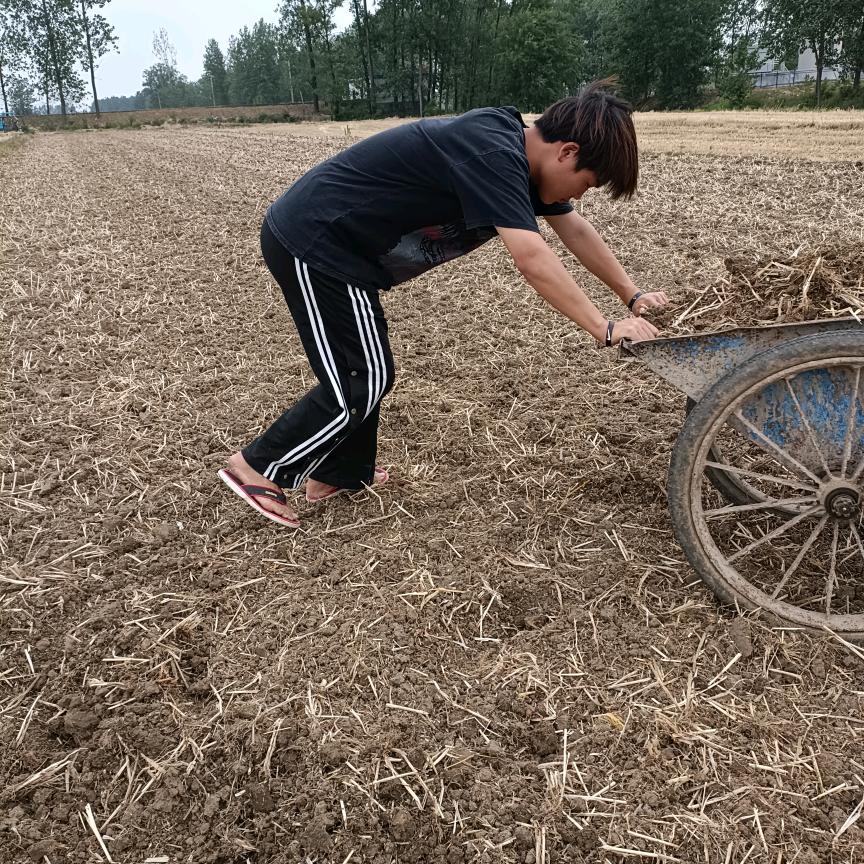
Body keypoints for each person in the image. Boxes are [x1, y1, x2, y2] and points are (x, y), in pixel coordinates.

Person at [218, 80, 668, 528]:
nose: (578, 196)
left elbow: (576, 231)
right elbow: (532, 258)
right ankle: (257, 465)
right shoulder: (492, 152)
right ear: (567, 152)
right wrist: (604, 327)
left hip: (347, 256)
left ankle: (339, 474)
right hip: (315, 242)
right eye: (586, 184)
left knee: (366, 367)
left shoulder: (520, 162)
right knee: (363, 376)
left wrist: (631, 294)